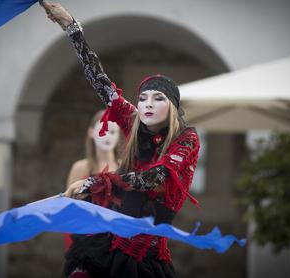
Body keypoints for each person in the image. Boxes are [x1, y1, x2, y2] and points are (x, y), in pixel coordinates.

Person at [42, 2, 200, 277]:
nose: (147, 104)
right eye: (143, 98)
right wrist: (71, 27)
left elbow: (157, 177)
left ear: (173, 107)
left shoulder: (187, 139)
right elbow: (101, 82)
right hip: (107, 246)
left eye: (158, 98)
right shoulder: (134, 125)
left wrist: (94, 181)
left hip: (147, 259)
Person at [64, 110, 121, 249]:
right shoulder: (80, 167)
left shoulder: (125, 167)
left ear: (119, 136)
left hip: (117, 238)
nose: (107, 135)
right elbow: (69, 207)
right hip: (86, 237)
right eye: (102, 129)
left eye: (113, 131)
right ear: (91, 132)